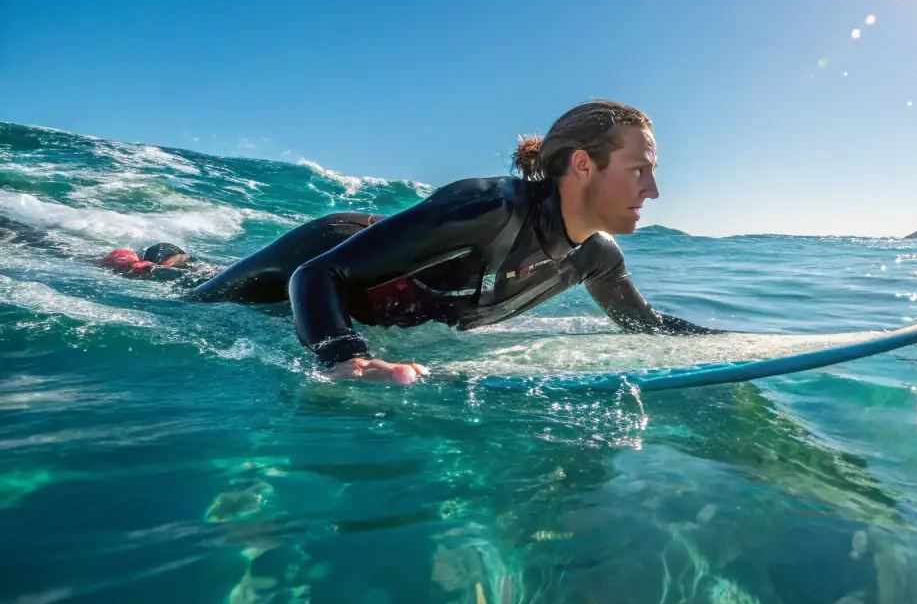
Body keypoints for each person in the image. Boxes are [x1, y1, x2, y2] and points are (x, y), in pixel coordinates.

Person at [110, 100, 719, 382]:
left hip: (381, 283)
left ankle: (170, 259)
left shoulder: (595, 257)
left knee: (192, 281)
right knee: (189, 299)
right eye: (640, 170)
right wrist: (346, 359)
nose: (654, 190)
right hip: (325, 255)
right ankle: (148, 261)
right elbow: (315, 279)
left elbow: (646, 325)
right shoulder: (488, 207)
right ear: (583, 165)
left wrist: (730, 342)